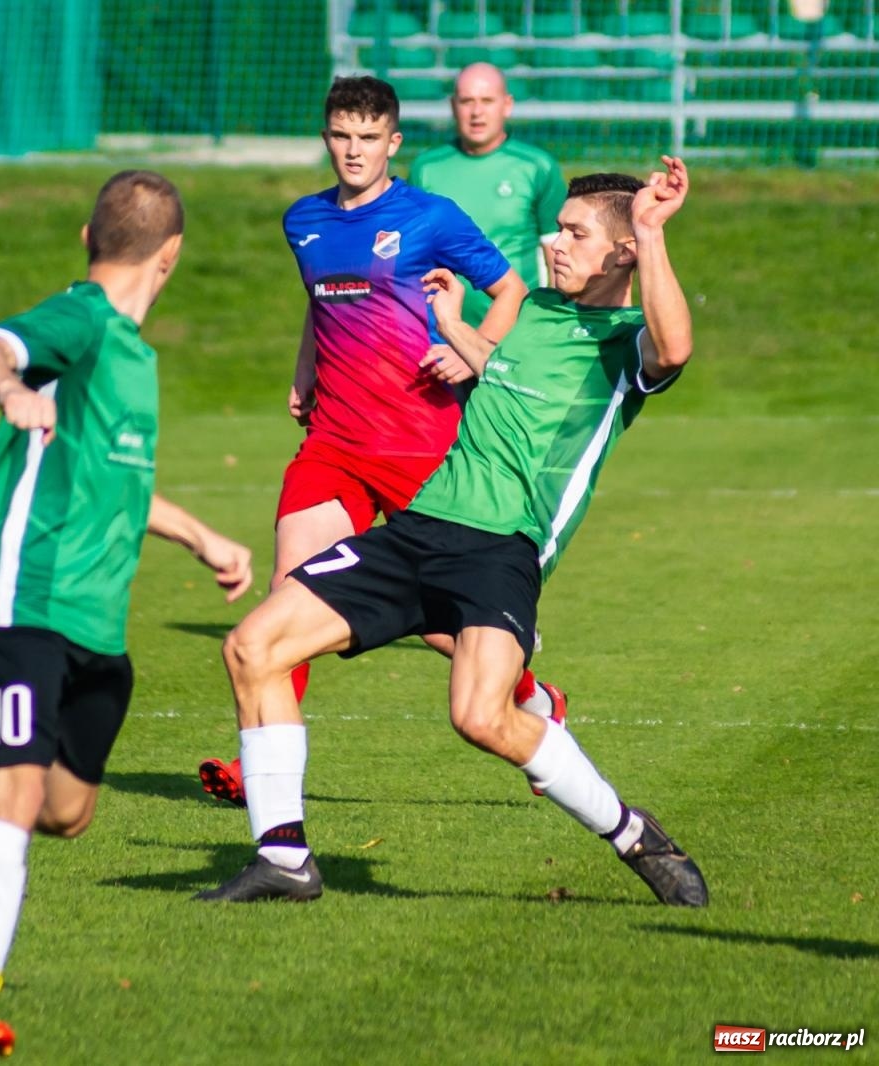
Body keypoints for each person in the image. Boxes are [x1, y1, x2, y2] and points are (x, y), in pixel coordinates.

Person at [194, 158, 708, 909]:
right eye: (555, 229)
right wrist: (455, 328)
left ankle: (632, 833)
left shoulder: (625, 343)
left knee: (479, 717)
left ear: (622, 251)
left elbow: (676, 349)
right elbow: (507, 378)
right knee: (252, 647)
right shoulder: (535, 309)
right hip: (419, 529)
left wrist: (654, 233)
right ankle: (284, 857)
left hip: (500, 553)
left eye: (573, 233)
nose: (552, 244)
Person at [0, 171, 254, 1056]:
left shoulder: (135, 356)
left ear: (87, 231)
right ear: (174, 256)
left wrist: (200, 538)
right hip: (25, 594)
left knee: (65, 810)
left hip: (97, 620)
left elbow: (117, 483)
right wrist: (6, 389)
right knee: (19, 791)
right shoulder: (79, 320)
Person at [196, 75, 565, 808]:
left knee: (446, 621)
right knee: (289, 596)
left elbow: (513, 289)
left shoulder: (431, 214)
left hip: (423, 446)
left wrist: (472, 349)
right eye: (341, 136)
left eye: (368, 138)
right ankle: (257, 771)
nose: (353, 150)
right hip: (333, 443)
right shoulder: (303, 219)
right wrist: (303, 370)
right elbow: (320, 303)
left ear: (394, 143)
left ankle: (532, 697)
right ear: (327, 137)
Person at [410, 62, 569, 329]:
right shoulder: (425, 169)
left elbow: (559, 256)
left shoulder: (537, 167)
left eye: (487, 101)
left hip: (519, 333)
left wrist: (552, 326)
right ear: (452, 106)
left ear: (507, 104)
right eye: (466, 101)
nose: (476, 112)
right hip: (444, 335)